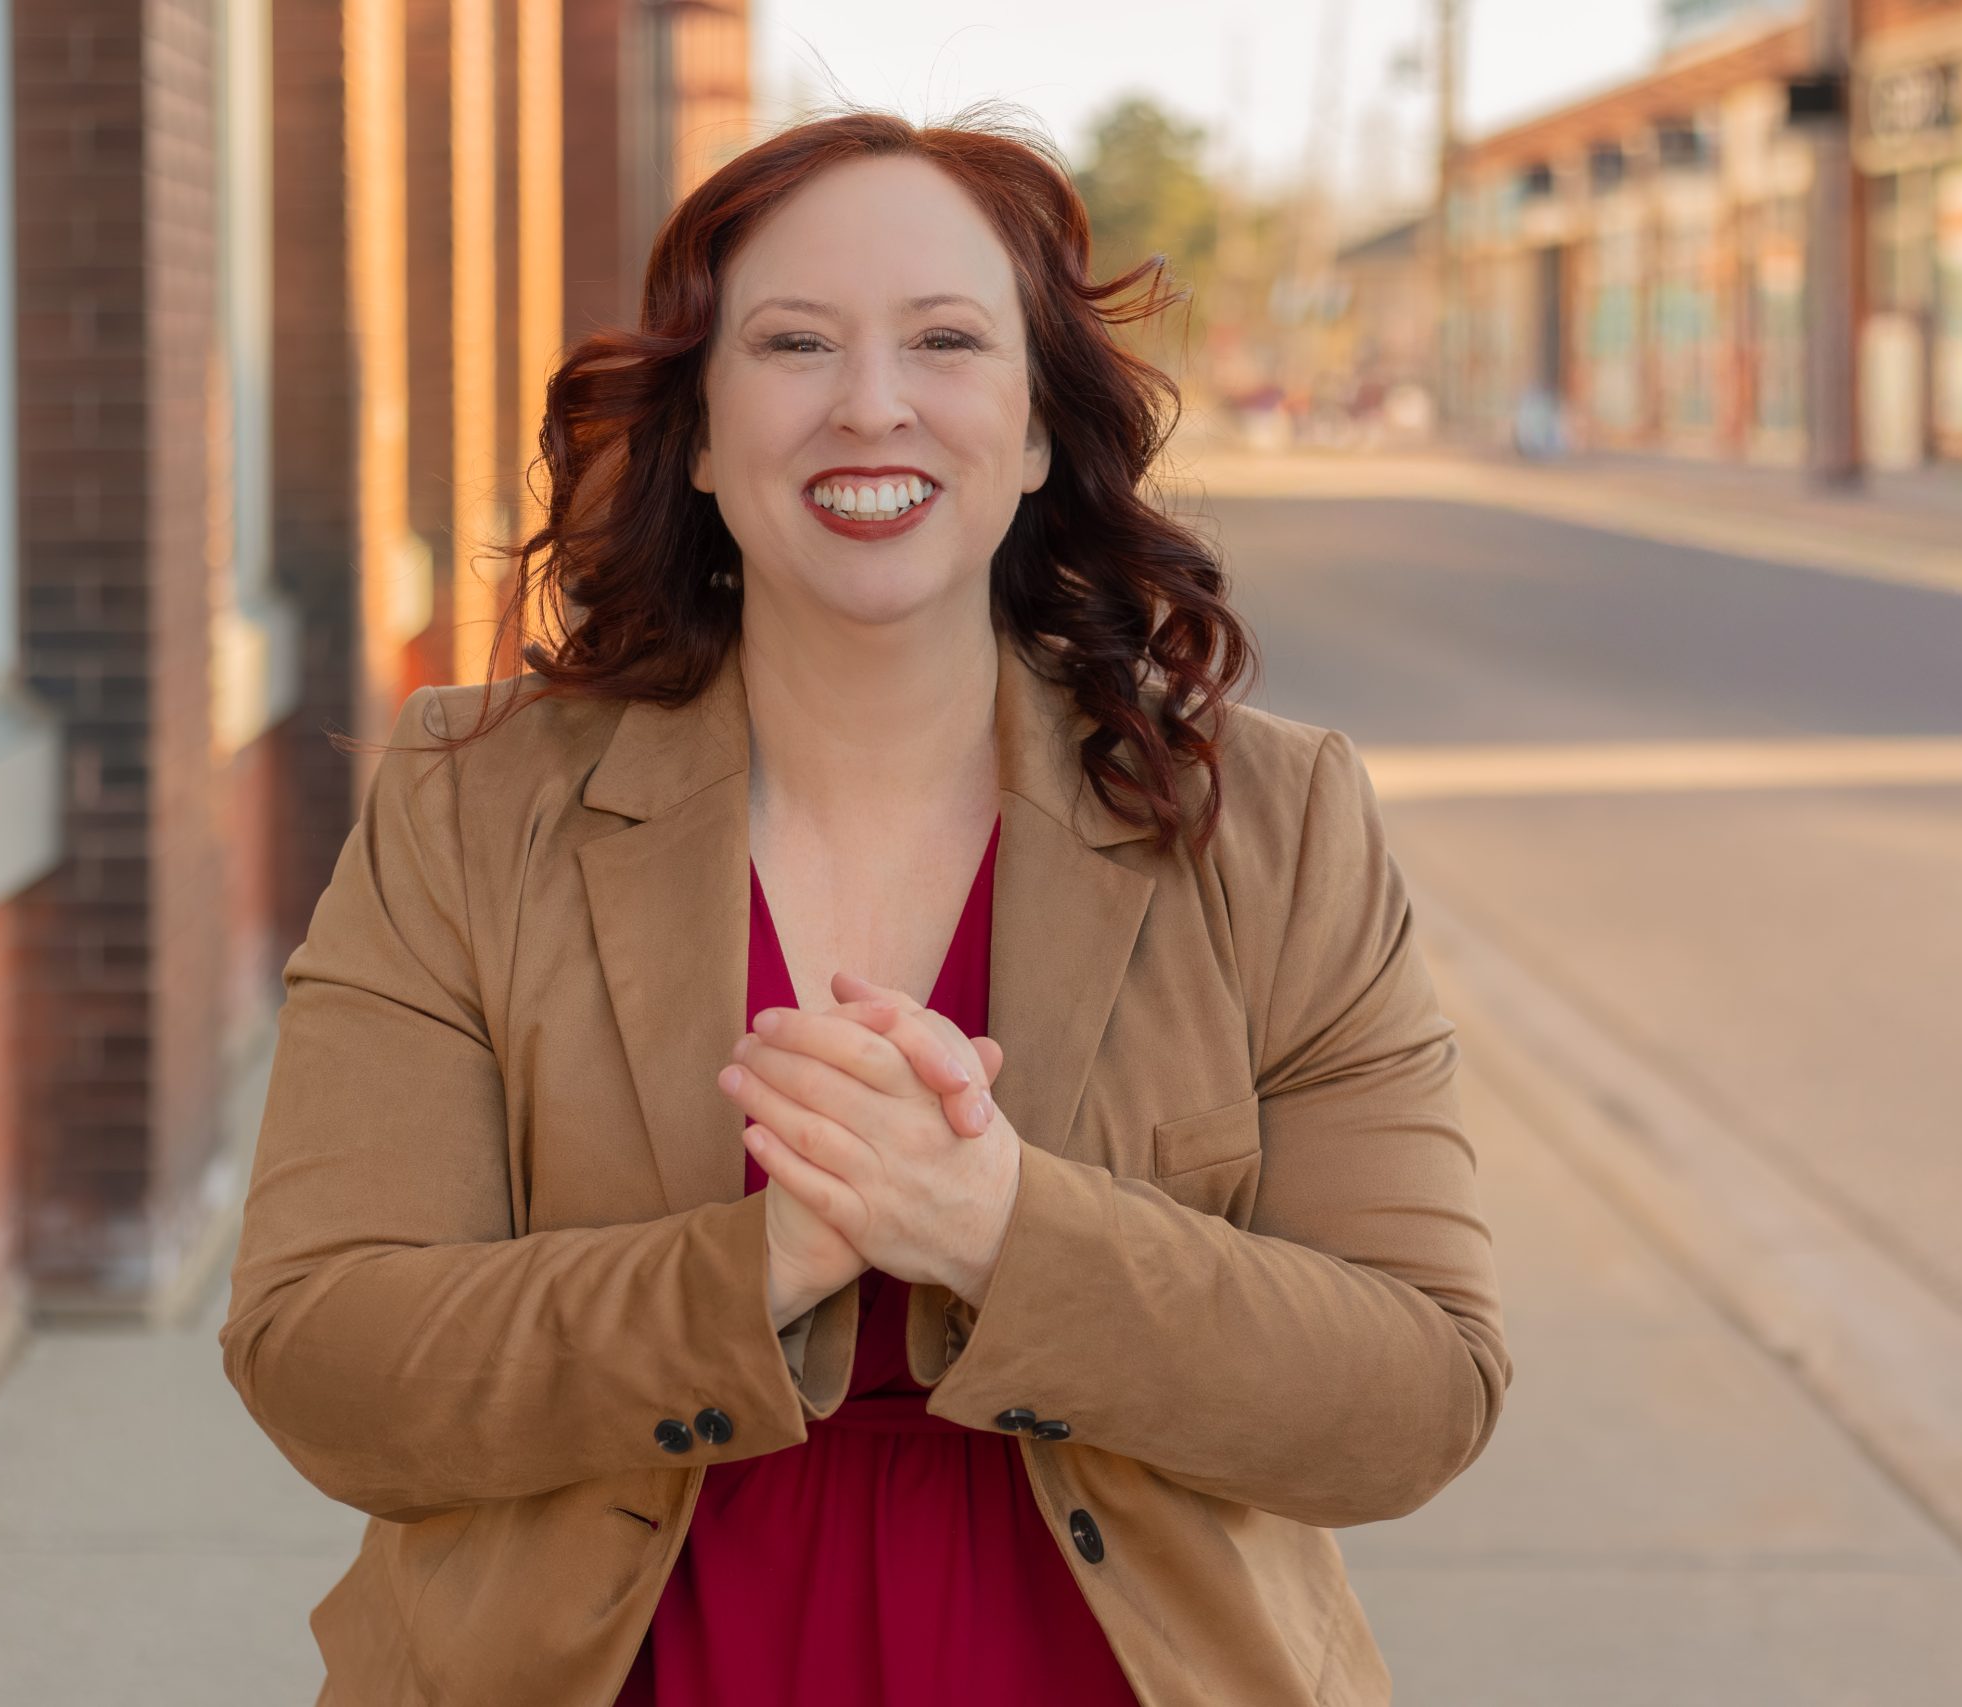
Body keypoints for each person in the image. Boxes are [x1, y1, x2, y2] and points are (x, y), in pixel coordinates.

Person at [219, 104, 1511, 1707]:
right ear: (701, 431)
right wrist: (759, 1266)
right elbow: (323, 1360)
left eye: (946, 340)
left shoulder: (1276, 821)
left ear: (1036, 431)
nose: (871, 404)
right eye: (795, 343)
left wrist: (1001, 1230)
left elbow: (1419, 1395)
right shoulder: (469, 804)